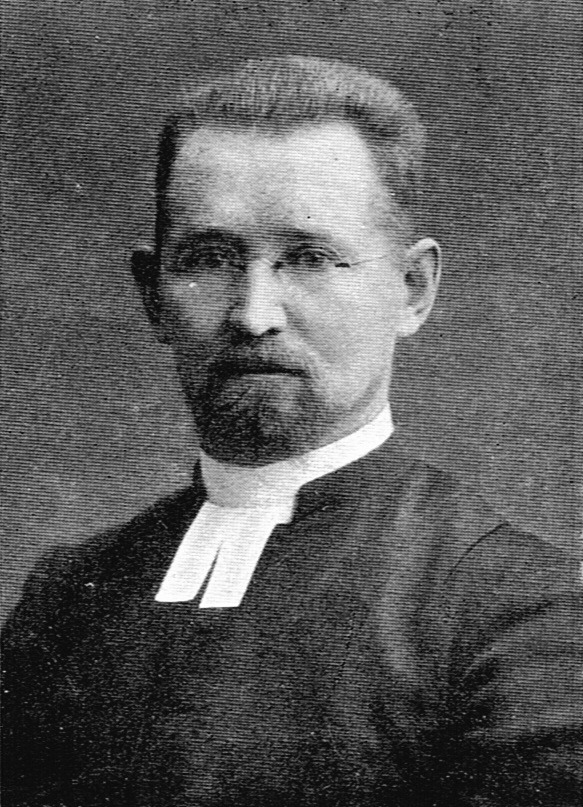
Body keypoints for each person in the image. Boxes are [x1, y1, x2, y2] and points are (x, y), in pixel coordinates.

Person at [2, 56, 581, 807]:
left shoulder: (514, 602)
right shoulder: (66, 596)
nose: (253, 314)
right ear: (152, 295)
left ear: (411, 289)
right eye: (208, 260)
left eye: (309, 258)